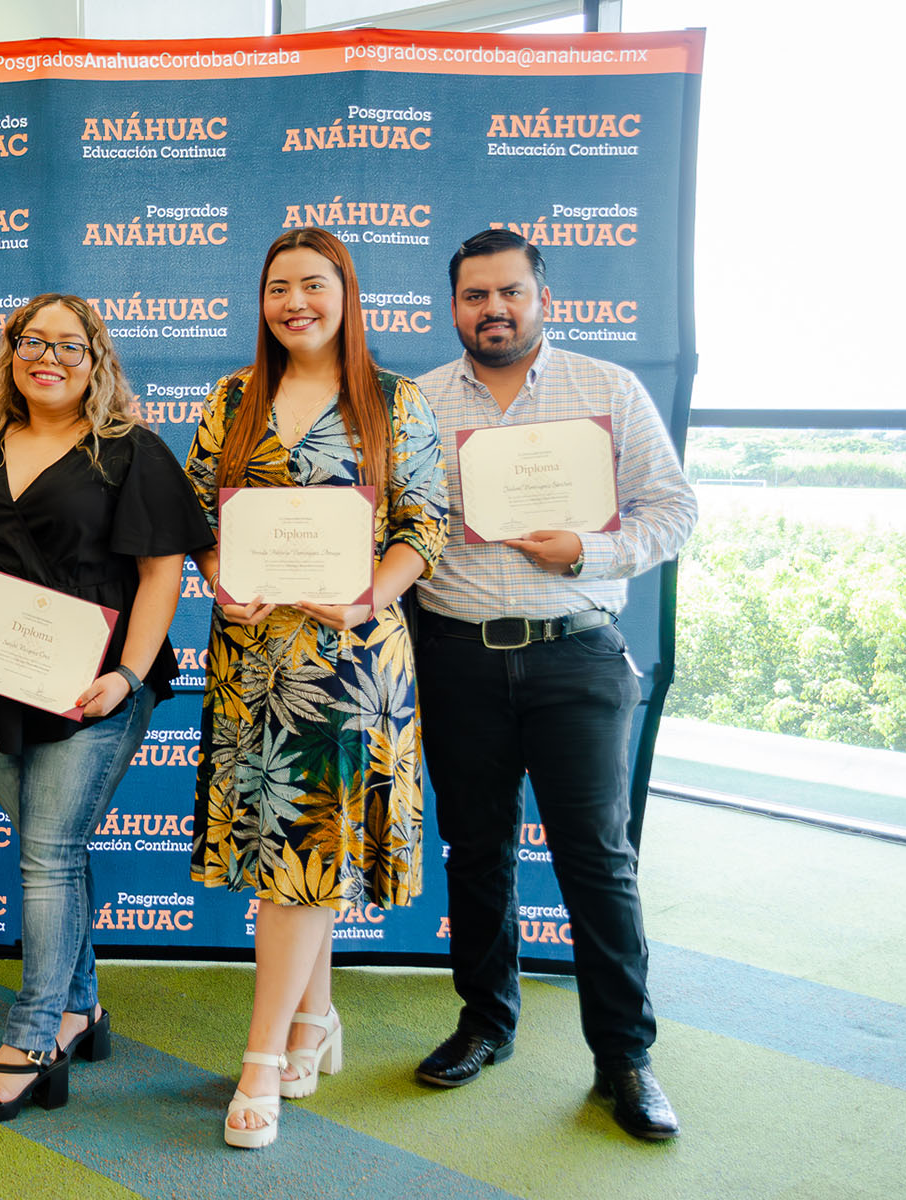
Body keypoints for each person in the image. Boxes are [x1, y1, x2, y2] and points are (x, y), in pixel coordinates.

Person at [410, 229, 697, 1141]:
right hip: (457, 655)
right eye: (473, 296)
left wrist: (590, 551)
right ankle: (485, 1023)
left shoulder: (606, 389)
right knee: (477, 850)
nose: (492, 309)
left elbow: (675, 510)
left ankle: (625, 1060)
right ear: (452, 307)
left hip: (577, 653)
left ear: (543, 297)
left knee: (597, 861)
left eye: (509, 292)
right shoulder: (417, 402)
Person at [184, 228, 449, 1150]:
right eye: (278, 287)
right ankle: (314, 1020)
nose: (294, 302)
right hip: (251, 661)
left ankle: (260, 1061)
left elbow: (426, 523)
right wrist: (221, 574)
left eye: (313, 284)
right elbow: (195, 515)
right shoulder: (231, 398)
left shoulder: (394, 401)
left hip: (349, 663)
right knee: (304, 846)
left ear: (346, 293)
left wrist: (368, 596)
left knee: (300, 855)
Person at [0, 295, 214, 1122]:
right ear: (10, 353)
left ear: (95, 360)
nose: (48, 358)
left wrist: (130, 676)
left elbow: (164, 572)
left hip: (94, 684)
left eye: (69, 345)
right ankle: (81, 1006)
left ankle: (31, 1040)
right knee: (47, 849)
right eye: (33, 342)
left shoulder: (131, 452)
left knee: (48, 855)